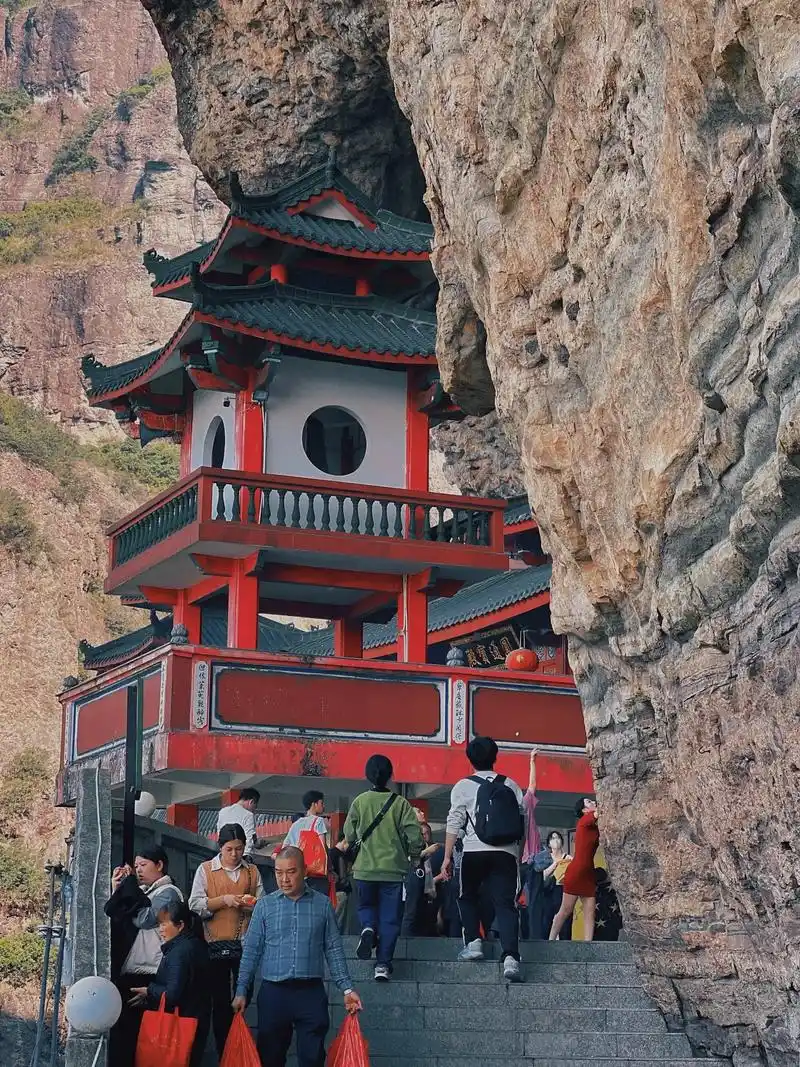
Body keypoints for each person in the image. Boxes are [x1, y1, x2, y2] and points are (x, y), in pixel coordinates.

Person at [233, 846, 362, 1067]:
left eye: (291, 872)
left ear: (304, 871)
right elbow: (252, 951)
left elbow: (333, 949)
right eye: (278, 872)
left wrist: (347, 988)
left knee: (312, 1058)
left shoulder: (322, 905)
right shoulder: (265, 906)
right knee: (270, 1057)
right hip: (274, 992)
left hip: (310, 993)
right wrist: (241, 990)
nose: (284, 879)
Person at [441, 735, 525, 982]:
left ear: (470, 759)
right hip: (506, 853)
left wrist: (447, 856)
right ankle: (510, 957)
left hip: (474, 851)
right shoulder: (511, 785)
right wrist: (517, 856)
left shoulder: (462, 786)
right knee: (505, 904)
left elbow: (454, 822)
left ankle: (474, 943)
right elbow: (522, 820)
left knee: (466, 895)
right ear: (495, 757)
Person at [339, 754, 424, 981]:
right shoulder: (401, 804)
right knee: (390, 919)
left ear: (367, 775)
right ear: (390, 776)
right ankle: (383, 965)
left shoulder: (359, 801)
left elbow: (348, 834)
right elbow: (414, 835)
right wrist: (415, 855)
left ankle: (367, 928)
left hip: (364, 870)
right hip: (393, 872)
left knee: (366, 906)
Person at [104, 847, 183, 1067]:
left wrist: (130, 889)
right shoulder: (147, 891)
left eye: (144, 865)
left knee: (136, 1038)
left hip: (150, 974)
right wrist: (119, 888)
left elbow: (144, 919)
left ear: (159, 865)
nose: (139, 870)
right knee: (124, 1037)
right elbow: (122, 912)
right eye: (136, 866)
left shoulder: (168, 892)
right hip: (134, 970)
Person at [188, 823, 263, 1055]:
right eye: (229, 849)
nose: (234, 854)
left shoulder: (252, 871)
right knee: (219, 1001)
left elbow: (263, 904)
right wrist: (224, 901)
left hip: (244, 944)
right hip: (215, 945)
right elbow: (195, 904)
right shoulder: (206, 869)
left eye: (239, 849)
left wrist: (250, 904)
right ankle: (225, 1050)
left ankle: (236, 1042)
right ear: (221, 847)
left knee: (243, 995)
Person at [127, 899, 211, 1067]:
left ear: (180, 925)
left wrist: (149, 990)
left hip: (180, 1024)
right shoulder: (195, 945)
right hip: (196, 1021)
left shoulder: (179, 953)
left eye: (164, 925)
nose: (161, 930)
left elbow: (173, 994)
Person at [549, 798, 600, 941]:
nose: (593, 803)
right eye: (589, 802)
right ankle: (551, 939)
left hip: (588, 873)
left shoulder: (593, 825)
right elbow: (600, 812)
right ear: (584, 810)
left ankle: (588, 944)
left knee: (590, 912)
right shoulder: (584, 821)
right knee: (566, 910)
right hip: (576, 872)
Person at [283, 790, 329, 896]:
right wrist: (329, 869)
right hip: (315, 872)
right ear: (314, 804)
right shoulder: (318, 821)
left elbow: (286, 846)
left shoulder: (296, 824)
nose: (323, 806)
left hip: (299, 871)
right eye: (321, 803)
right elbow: (323, 848)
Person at [402, 822, 442, 937]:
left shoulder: (437, 851)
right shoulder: (411, 848)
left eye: (427, 833)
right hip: (413, 887)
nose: (424, 836)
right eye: (422, 834)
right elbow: (408, 860)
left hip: (433, 893)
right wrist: (426, 852)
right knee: (411, 914)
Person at [521, 748, 544, 939]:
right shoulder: (525, 804)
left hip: (518, 862)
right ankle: (534, 937)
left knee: (511, 900)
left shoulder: (517, 807)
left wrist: (532, 762)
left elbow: (532, 785)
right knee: (535, 902)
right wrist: (532, 761)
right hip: (532, 862)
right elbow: (532, 784)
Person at [540, 830, 572, 940]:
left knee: (565, 924)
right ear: (548, 843)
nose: (556, 841)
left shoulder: (568, 858)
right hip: (547, 892)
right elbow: (541, 876)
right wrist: (555, 864)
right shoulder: (545, 857)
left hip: (562, 891)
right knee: (545, 922)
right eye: (553, 838)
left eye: (558, 838)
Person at [217, 788, 261, 857]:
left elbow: (219, 833)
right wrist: (246, 855)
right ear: (251, 802)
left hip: (225, 853)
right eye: (255, 806)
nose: (254, 809)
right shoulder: (248, 815)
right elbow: (249, 838)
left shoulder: (223, 812)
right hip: (240, 854)